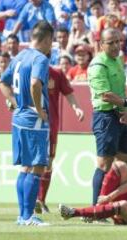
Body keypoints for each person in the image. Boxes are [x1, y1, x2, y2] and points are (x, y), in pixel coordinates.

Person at [0, 20, 54, 226]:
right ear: (47, 39)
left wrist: (16, 103)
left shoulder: (20, 56)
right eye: (52, 41)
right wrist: (40, 110)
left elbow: (2, 82)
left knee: (25, 168)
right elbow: (34, 83)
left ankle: (22, 216)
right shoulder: (40, 58)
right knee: (38, 166)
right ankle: (29, 216)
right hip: (34, 120)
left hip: (19, 118)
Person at [88, 28, 127, 206]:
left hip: (120, 116)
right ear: (101, 45)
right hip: (106, 116)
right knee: (104, 164)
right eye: (111, 43)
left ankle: (120, 208)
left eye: (118, 42)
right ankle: (95, 209)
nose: (116, 46)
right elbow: (105, 95)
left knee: (123, 164)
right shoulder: (98, 65)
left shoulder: (118, 60)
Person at [34, 66, 84, 214]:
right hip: (32, 123)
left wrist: (77, 108)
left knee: (48, 162)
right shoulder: (29, 69)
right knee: (33, 162)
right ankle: (32, 201)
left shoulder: (56, 73)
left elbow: (68, 93)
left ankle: (41, 201)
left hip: (51, 124)